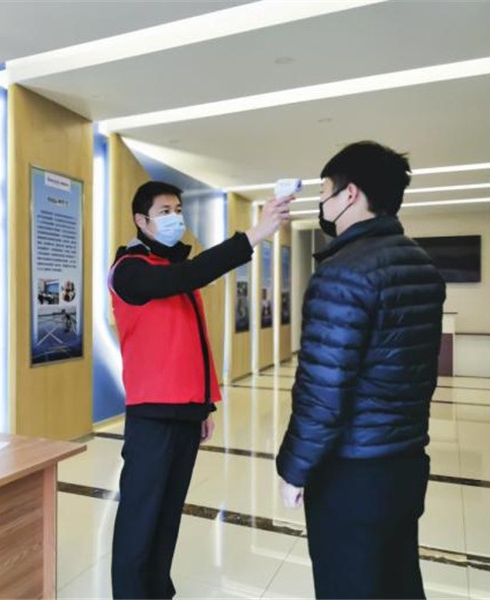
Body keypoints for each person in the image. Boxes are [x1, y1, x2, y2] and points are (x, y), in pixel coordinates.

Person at [276, 141, 446, 599]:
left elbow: (323, 391)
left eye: (324, 192)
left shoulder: (343, 273)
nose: (322, 203)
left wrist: (295, 468)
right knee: (398, 583)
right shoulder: (421, 264)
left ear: (349, 193)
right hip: (405, 461)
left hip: (352, 473)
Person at [109, 180, 290, 599]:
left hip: (186, 410)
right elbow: (188, 274)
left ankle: (157, 591)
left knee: (167, 514)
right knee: (140, 518)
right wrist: (253, 235)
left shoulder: (172, 269)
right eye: (165, 211)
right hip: (152, 413)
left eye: (178, 210)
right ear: (141, 221)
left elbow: (191, 342)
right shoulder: (131, 270)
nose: (176, 218)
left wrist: (205, 405)